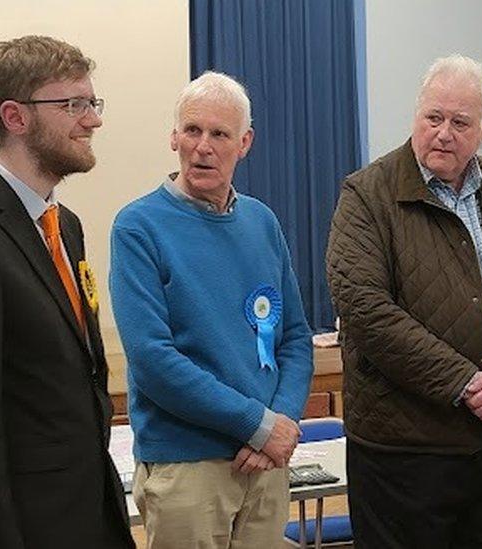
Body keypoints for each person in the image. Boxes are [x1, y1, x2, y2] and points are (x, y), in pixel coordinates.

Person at [325, 54, 482, 548]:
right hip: (406, 451)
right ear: (415, 116)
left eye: (460, 122)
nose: (443, 133)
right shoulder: (368, 194)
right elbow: (365, 308)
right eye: (432, 118)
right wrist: (466, 384)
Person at [0, 35, 134, 548]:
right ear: (15, 117)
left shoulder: (67, 226)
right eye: (73, 105)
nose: (93, 119)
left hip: (87, 513)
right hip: (23, 528)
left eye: (92, 103)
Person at [109, 71, 313, 548]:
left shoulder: (262, 221)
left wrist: (277, 425)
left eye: (219, 134)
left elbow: (296, 339)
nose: (203, 146)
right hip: (186, 467)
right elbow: (153, 361)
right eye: (192, 130)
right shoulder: (138, 227)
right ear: (173, 137)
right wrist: (258, 426)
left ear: (245, 142)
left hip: (265, 463)